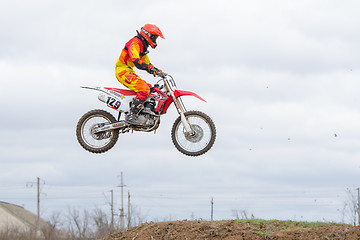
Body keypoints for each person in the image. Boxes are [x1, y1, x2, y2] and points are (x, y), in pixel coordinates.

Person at [115, 24, 165, 125]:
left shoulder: (143, 47)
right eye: (154, 37)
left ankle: (143, 114)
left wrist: (159, 72)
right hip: (122, 71)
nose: (155, 40)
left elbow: (148, 64)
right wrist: (150, 69)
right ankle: (131, 115)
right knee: (143, 89)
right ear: (147, 35)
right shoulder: (134, 43)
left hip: (129, 71)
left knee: (151, 89)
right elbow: (136, 61)